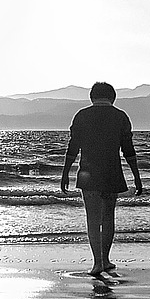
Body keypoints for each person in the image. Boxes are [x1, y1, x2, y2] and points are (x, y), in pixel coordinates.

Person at [61, 81, 143, 276]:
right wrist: (137, 177)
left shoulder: (82, 115)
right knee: (108, 217)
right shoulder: (120, 117)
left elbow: (72, 148)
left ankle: (97, 262)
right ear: (112, 97)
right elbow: (129, 151)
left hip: (88, 174)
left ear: (92, 97)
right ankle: (105, 260)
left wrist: (65, 173)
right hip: (112, 173)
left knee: (92, 218)